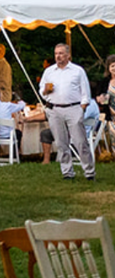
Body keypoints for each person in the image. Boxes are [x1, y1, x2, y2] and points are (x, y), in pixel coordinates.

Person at [36, 42, 96, 180]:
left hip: (73, 108)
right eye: (56, 53)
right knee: (61, 142)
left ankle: (89, 171)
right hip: (54, 109)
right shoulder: (49, 71)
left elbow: (85, 92)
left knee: (80, 142)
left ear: (68, 55)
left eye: (61, 53)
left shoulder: (77, 71)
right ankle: (67, 172)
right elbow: (41, 90)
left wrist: (82, 108)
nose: (58, 56)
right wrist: (45, 91)